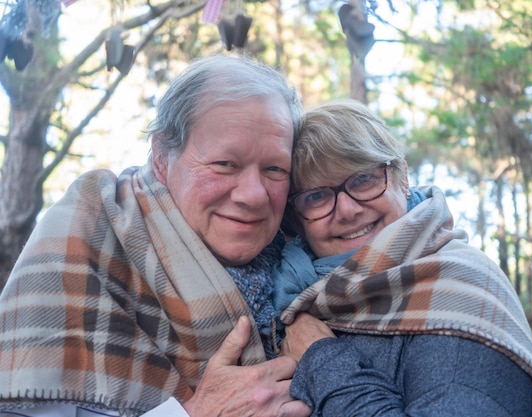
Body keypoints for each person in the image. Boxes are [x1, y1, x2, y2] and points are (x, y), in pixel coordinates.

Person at [0, 54, 312, 417]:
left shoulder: (312, 256)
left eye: (275, 169)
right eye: (225, 164)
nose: (254, 195)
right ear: (162, 156)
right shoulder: (84, 239)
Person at [271, 98, 532, 417]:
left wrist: (320, 357)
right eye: (316, 196)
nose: (348, 210)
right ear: (296, 218)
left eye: (363, 179)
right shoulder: (296, 298)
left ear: (402, 177)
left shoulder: (458, 291)